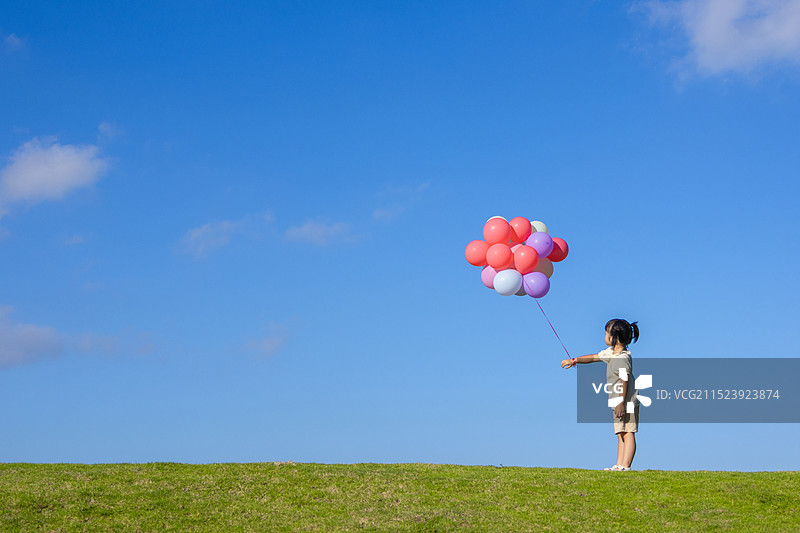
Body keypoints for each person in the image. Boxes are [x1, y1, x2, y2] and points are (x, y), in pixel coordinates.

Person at [561, 319, 640, 471]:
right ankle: (619, 464)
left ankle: (626, 465)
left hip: (626, 401)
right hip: (617, 401)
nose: (604, 335)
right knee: (620, 433)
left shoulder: (623, 358)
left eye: (606, 333)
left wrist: (621, 403)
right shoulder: (611, 353)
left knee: (628, 432)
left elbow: (625, 381)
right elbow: (594, 357)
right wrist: (574, 360)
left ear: (614, 337)